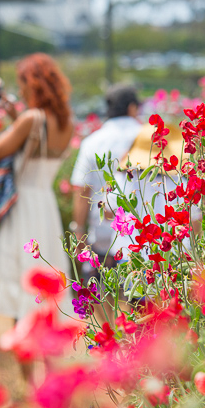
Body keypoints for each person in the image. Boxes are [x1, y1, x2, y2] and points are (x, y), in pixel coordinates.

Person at [0, 53, 73, 322]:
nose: (20, 90)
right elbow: (35, 146)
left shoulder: (31, 118)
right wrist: (15, 117)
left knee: (22, 280)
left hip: (22, 208)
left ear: (33, 84)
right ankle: (48, 356)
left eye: (22, 83)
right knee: (46, 287)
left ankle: (27, 358)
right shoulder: (66, 122)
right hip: (45, 206)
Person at [70, 84, 143, 285]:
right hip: (140, 234)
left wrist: (79, 231)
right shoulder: (146, 137)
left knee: (103, 292)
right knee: (138, 301)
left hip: (102, 231)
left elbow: (82, 191)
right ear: (132, 108)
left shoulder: (92, 142)